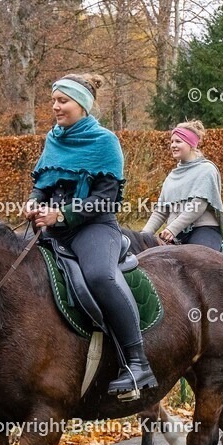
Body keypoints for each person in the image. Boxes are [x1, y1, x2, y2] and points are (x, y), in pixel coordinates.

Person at [24, 72, 157, 397]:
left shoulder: (105, 142)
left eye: (63, 100)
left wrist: (63, 213)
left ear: (82, 105)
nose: (55, 106)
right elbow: (42, 183)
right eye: (53, 100)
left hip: (94, 228)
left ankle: (137, 364)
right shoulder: (53, 139)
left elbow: (106, 199)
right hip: (52, 229)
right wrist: (33, 203)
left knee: (100, 276)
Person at [142, 120, 223, 252]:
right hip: (176, 233)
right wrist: (143, 236)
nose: (173, 145)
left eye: (178, 141)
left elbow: (198, 205)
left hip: (203, 229)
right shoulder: (171, 176)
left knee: (200, 262)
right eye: (172, 141)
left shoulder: (207, 170)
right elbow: (161, 210)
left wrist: (172, 228)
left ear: (191, 144)